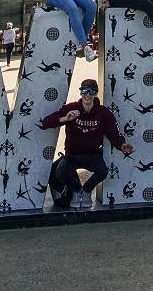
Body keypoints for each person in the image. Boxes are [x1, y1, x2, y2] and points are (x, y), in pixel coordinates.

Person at [40, 79, 134, 209]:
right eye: (84, 91)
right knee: (61, 171)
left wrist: (122, 145)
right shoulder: (71, 108)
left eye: (91, 92)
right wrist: (65, 119)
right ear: (80, 92)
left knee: (102, 171)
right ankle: (77, 191)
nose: (87, 95)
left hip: (92, 154)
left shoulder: (103, 113)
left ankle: (86, 192)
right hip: (72, 154)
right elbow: (46, 122)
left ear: (96, 93)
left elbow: (114, 133)